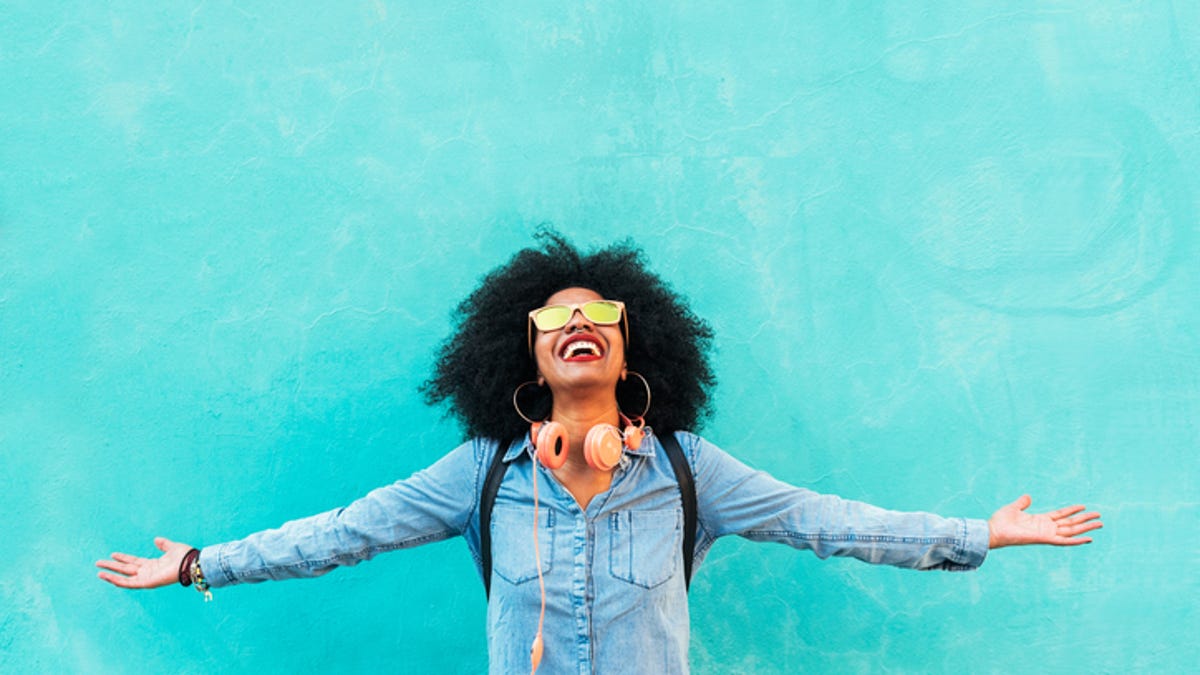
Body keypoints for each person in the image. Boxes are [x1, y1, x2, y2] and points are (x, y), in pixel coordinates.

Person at [96, 232, 1103, 674]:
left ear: (633, 345)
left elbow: (827, 521)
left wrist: (983, 533)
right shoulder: (482, 477)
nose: (578, 323)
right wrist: (198, 565)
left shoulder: (694, 473)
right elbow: (343, 534)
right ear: (524, 352)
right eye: (554, 318)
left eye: (600, 314)